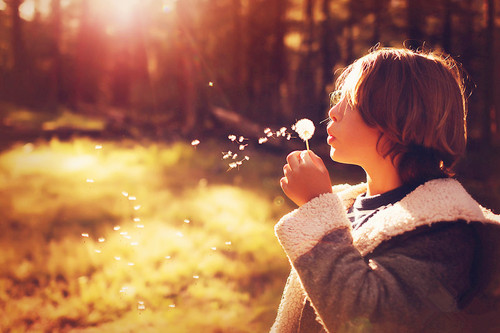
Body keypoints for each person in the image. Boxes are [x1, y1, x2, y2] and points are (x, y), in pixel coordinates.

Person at [271, 47, 500, 332]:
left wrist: (317, 203)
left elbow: (373, 317)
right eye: (336, 98)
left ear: (401, 117)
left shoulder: (446, 230)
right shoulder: (345, 208)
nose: (333, 112)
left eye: (350, 101)